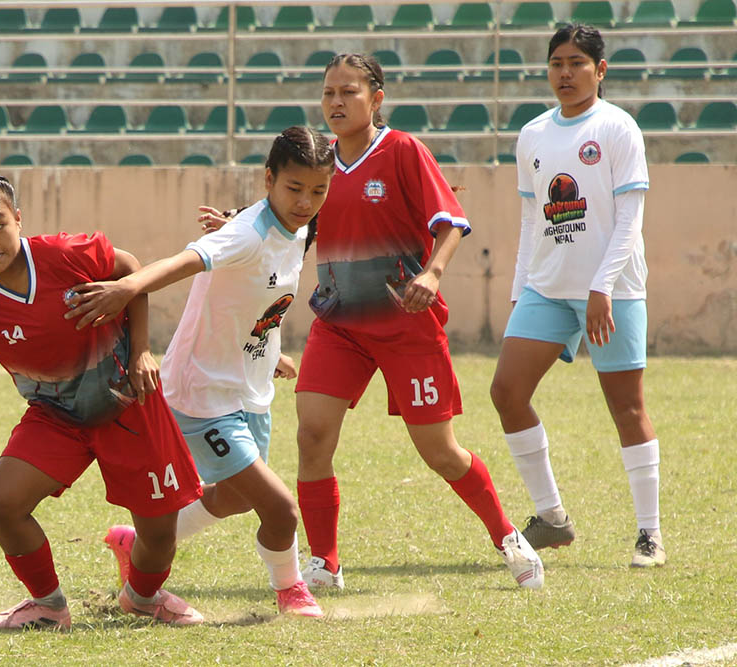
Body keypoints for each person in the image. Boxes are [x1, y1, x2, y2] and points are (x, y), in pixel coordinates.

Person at [201, 54, 543, 591]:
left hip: (407, 326)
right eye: (328, 93)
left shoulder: (403, 151)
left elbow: (452, 222)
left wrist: (432, 273)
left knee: (440, 453)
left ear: (376, 99)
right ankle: (325, 563)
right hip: (339, 324)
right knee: (312, 435)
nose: (336, 102)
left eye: (349, 92)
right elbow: (288, 220)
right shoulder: (320, 163)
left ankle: (508, 538)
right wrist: (239, 224)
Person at [0, 170, 206, 630]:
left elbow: (129, 271)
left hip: (130, 402)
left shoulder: (66, 254)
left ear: (18, 219)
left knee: (160, 531)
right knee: (2, 504)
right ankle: (48, 606)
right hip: (56, 417)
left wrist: (143, 347)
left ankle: (143, 598)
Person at [65, 126, 334, 617]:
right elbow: (183, 262)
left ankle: (135, 544)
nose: (305, 201)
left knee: (233, 497)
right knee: (280, 509)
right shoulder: (245, 235)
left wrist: (269, 352)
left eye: (318, 190)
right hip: (204, 394)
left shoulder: (299, 229)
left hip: (248, 391)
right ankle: (291, 591)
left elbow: (258, 299)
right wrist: (126, 290)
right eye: (294, 189)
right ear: (269, 178)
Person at [490, 25, 665, 567]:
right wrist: (520, 293)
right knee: (506, 392)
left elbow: (630, 219)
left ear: (600, 70)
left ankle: (649, 535)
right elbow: (530, 220)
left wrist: (602, 286)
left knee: (627, 407)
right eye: (556, 62)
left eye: (577, 63)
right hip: (547, 287)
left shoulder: (617, 128)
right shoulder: (534, 134)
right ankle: (553, 519)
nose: (565, 72)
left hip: (612, 291)